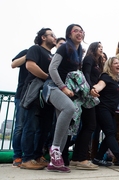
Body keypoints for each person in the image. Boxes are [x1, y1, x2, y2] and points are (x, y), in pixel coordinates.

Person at [42, 24, 90, 173]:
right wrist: (63, 87)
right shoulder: (64, 48)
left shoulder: (78, 52)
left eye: (81, 31)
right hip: (52, 87)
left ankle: (55, 163)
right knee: (69, 108)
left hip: (64, 90)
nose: (79, 33)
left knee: (65, 125)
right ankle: (55, 149)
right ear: (69, 34)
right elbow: (52, 69)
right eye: (76, 30)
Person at [90, 57, 119, 169]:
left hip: (111, 111)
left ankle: (98, 158)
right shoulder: (105, 76)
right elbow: (99, 85)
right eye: (116, 63)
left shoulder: (116, 80)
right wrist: (94, 89)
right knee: (110, 133)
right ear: (110, 66)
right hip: (103, 109)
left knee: (112, 134)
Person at [20, 28, 56, 170]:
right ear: (43, 37)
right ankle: (27, 158)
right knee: (31, 126)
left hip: (48, 95)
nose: (54, 37)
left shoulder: (52, 55)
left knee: (44, 128)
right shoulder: (35, 49)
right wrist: (47, 77)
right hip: (35, 92)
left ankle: (37, 156)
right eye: (51, 35)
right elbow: (30, 65)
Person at [74, 41, 104, 165]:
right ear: (94, 48)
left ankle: (76, 157)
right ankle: (81, 157)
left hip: (92, 95)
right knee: (90, 125)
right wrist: (90, 89)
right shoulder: (89, 58)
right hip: (87, 95)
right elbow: (86, 74)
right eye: (99, 47)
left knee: (88, 125)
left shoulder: (97, 62)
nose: (102, 49)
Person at [11, 48, 29, 167]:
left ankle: (30, 155)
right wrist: (29, 56)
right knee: (20, 126)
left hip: (37, 96)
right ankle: (17, 156)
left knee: (33, 127)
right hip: (22, 95)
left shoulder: (49, 56)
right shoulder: (27, 51)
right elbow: (13, 64)